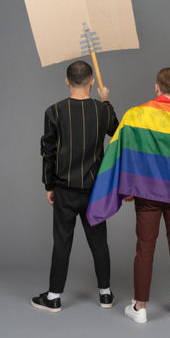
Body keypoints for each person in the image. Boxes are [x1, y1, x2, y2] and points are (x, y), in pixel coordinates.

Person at [31, 60, 119, 313]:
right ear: (92, 82)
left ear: (67, 81)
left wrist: (49, 185)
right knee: (99, 241)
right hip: (95, 189)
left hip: (65, 187)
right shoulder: (102, 111)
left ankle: (54, 296)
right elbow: (117, 131)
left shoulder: (54, 111)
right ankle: (105, 294)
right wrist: (106, 101)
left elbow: (48, 152)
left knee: (62, 242)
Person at [124, 68, 170, 323]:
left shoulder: (137, 115)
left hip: (147, 192)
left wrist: (129, 187)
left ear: (156, 87)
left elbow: (131, 153)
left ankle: (140, 308)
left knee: (145, 249)